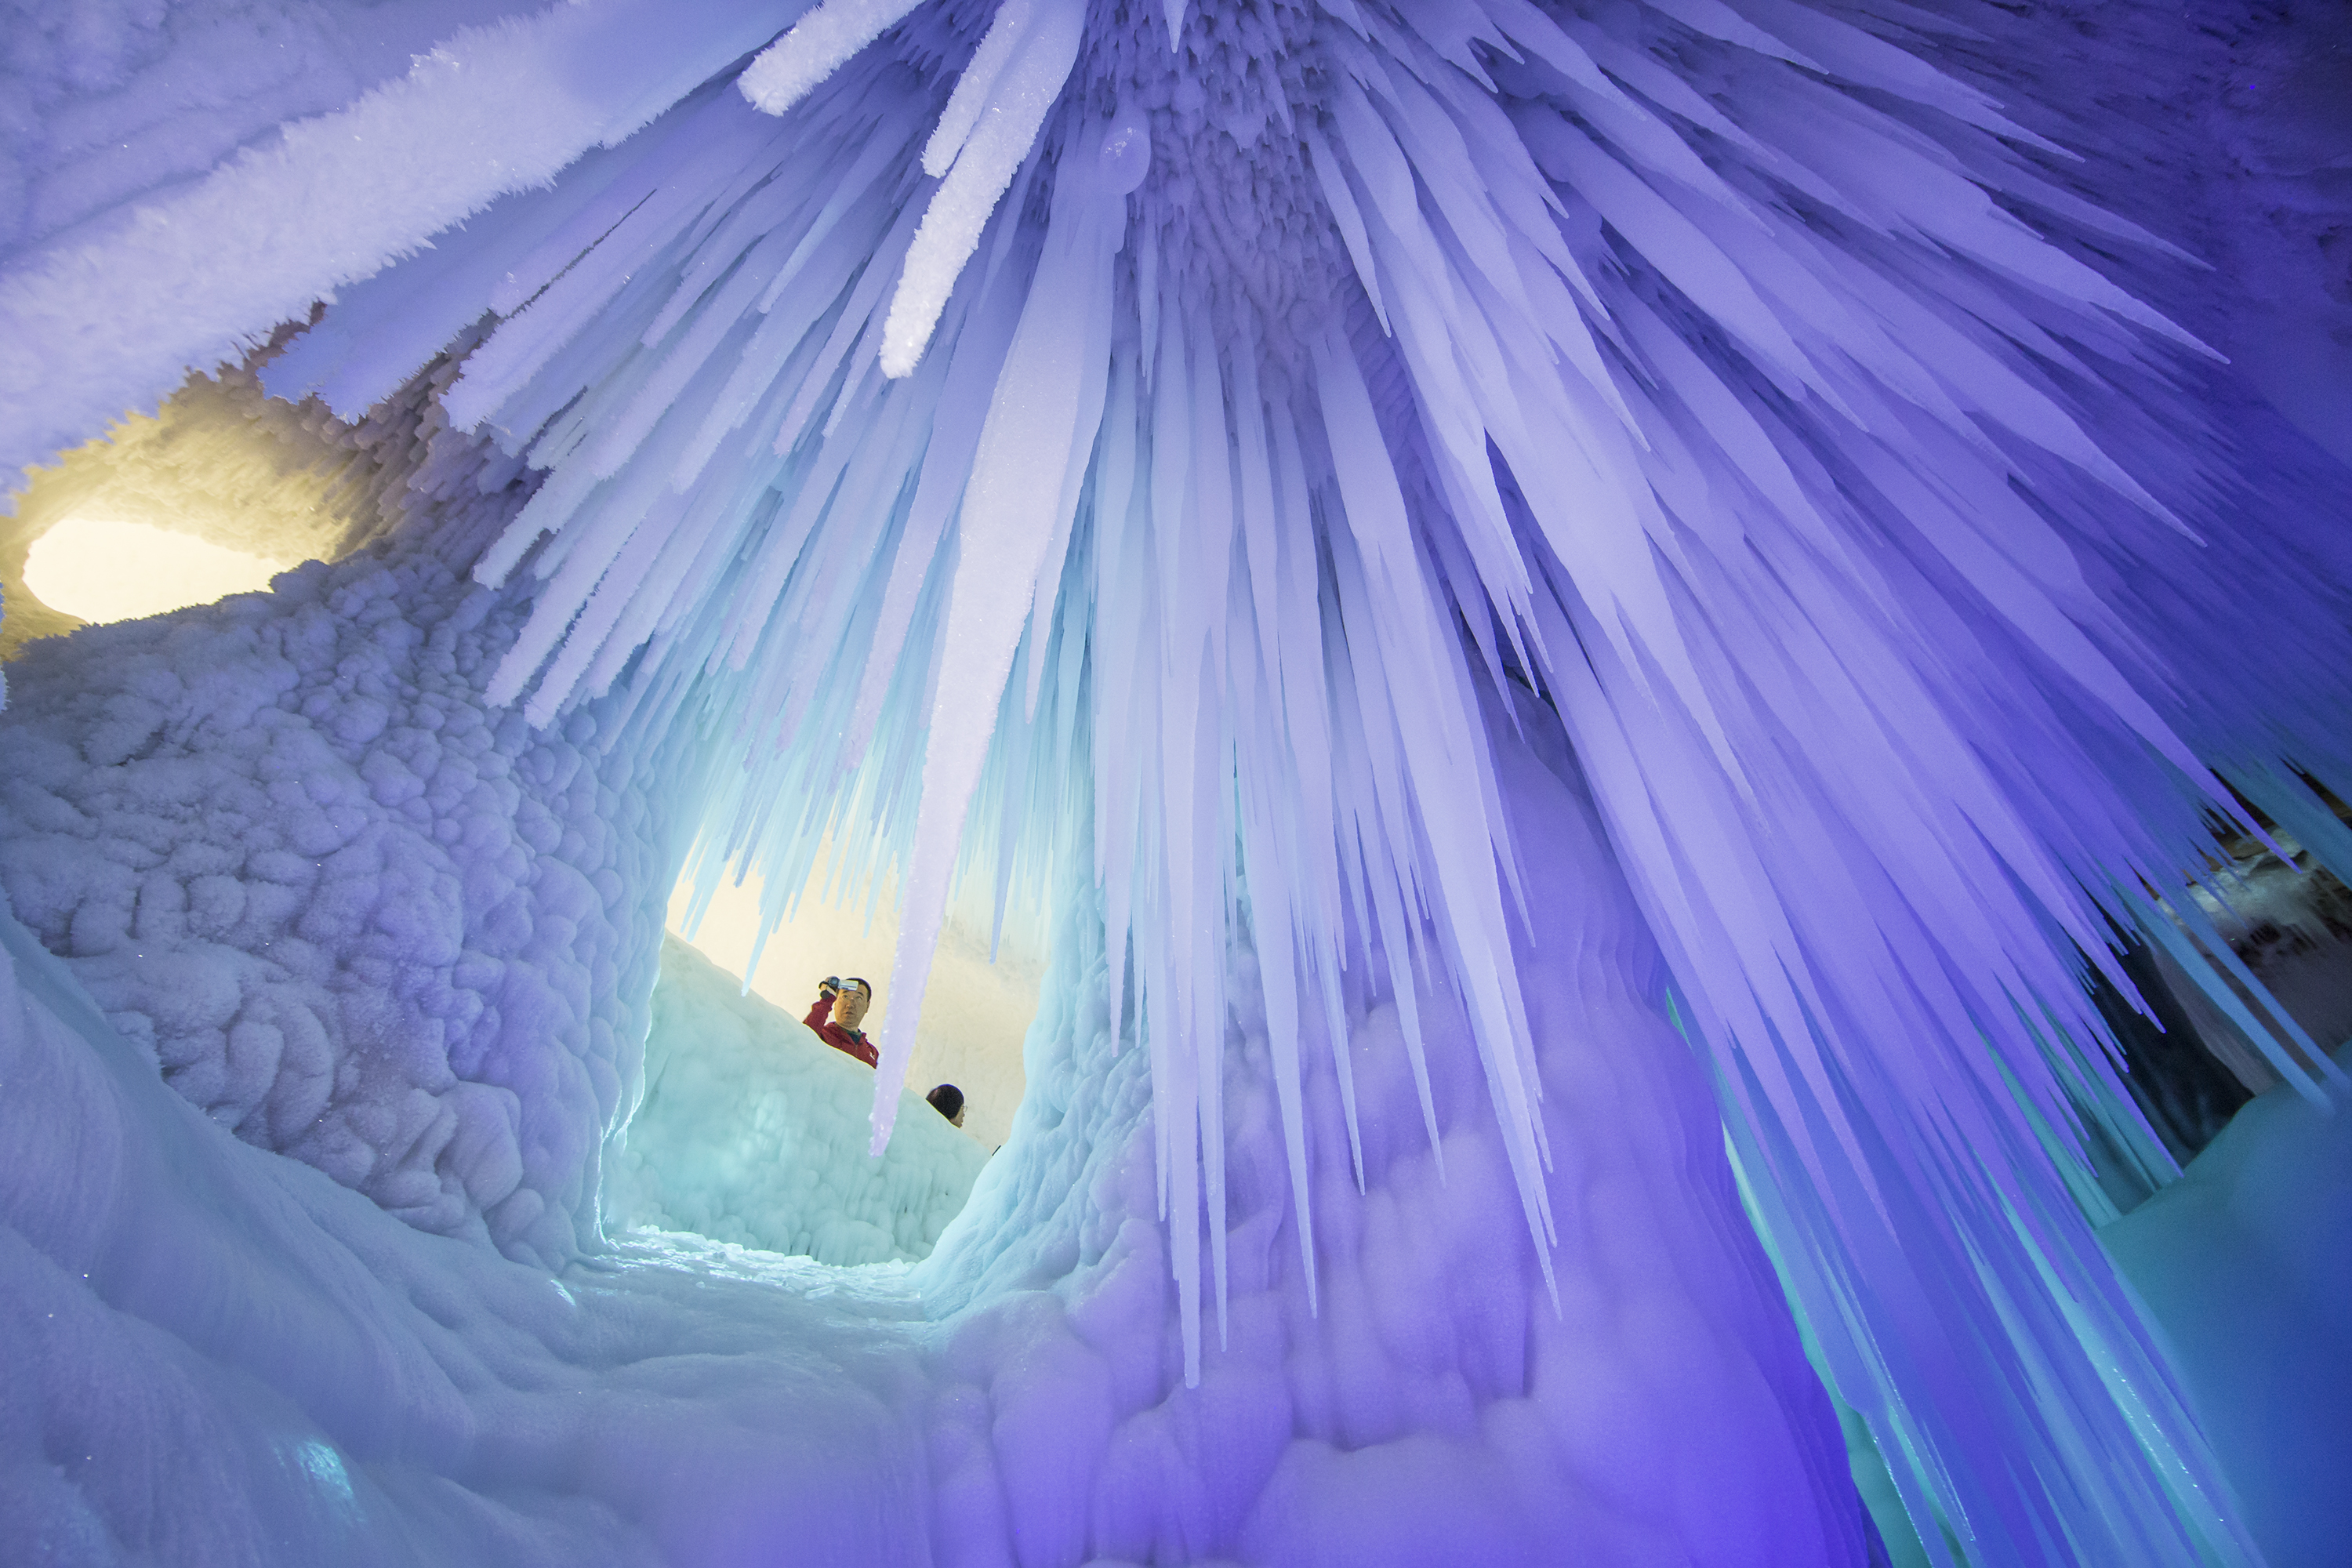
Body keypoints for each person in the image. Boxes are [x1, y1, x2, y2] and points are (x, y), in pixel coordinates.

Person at [804, 976, 877, 1067]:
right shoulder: (822, 1037)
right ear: (835, 1002)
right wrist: (826, 1000)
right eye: (845, 996)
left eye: (858, 998)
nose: (850, 1004)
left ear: (867, 1006)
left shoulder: (872, 1053)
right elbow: (802, 1039)